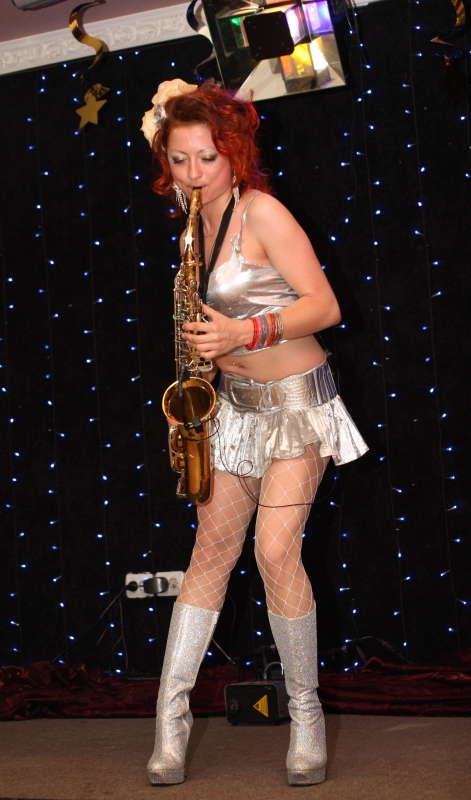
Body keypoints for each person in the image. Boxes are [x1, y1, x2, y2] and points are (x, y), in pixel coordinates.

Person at [140, 79, 368, 787]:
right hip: (232, 407)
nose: (193, 174)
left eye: (207, 158)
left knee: (274, 550)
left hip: (296, 403)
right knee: (208, 555)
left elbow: (325, 306)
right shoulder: (191, 225)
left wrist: (245, 331)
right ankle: (168, 729)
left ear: (233, 153)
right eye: (179, 159)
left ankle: (306, 719)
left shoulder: (262, 211)